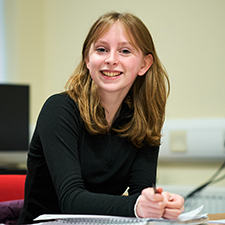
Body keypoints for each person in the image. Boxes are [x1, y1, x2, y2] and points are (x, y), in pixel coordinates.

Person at [18, 11, 184, 224]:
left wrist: (158, 205)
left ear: (144, 64)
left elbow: (140, 194)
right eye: (101, 50)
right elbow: (71, 200)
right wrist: (138, 207)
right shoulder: (59, 109)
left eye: (125, 51)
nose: (111, 60)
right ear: (88, 59)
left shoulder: (144, 119)